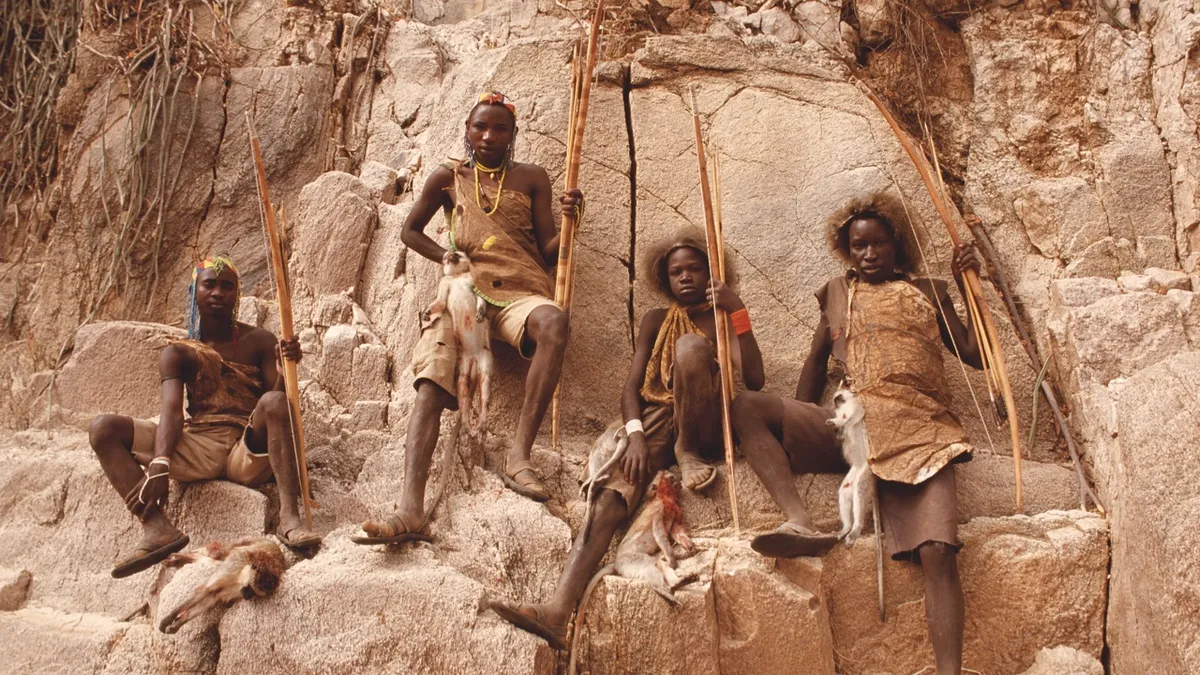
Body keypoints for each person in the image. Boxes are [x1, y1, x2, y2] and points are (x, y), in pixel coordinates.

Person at [732, 193, 982, 675]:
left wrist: (970, 287)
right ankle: (799, 520)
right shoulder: (837, 293)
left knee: (937, 551)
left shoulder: (929, 292)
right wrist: (803, 415)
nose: (868, 254)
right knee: (747, 406)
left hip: (920, 429)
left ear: (897, 244)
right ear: (846, 251)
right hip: (852, 422)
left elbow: (974, 353)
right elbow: (815, 362)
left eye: (878, 243)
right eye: (858, 246)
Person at [489, 231, 765, 648]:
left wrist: (737, 311)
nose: (685, 277)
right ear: (664, 279)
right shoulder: (656, 319)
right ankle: (558, 611)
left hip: (705, 422)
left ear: (712, 273)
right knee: (611, 495)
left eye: (695, 269)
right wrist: (634, 435)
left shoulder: (722, 317)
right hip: (656, 420)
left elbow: (755, 380)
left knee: (691, 346)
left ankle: (686, 451)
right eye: (676, 272)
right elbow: (631, 388)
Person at [353, 92, 584, 545]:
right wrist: (448, 258)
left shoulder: (532, 178)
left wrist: (571, 220)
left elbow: (549, 251)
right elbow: (410, 231)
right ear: (467, 129)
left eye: (500, 128)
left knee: (555, 322)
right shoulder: (448, 175)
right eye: (480, 126)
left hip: (519, 290)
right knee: (431, 380)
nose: (488, 136)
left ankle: (519, 456)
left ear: (513, 134)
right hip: (462, 293)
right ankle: (410, 509)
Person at [89, 255, 318, 579]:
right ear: (195, 290)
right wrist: (160, 463)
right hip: (199, 445)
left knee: (273, 400)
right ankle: (156, 528)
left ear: (237, 294)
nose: (218, 292)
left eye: (227, 286)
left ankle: (289, 518)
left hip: (247, 449)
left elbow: (280, 407)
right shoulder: (179, 352)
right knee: (103, 429)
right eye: (209, 284)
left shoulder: (261, 341)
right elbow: (171, 410)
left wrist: (286, 368)